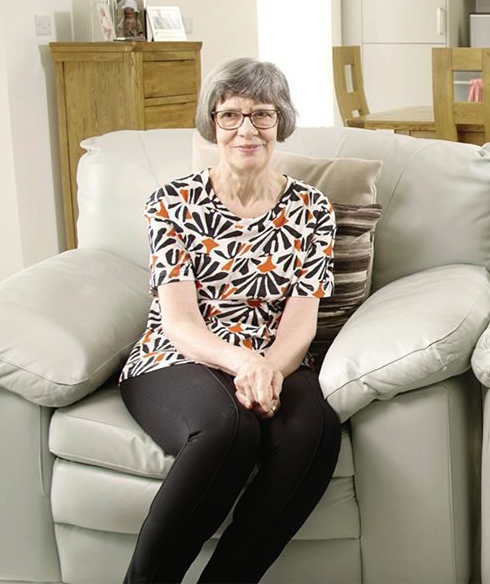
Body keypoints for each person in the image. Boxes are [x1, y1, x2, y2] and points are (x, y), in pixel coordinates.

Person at [118, 57, 342, 584]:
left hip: (274, 356)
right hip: (178, 357)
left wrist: (267, 369)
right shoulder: (172, 202)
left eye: (262, 114)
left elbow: (301, 324)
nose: (247, 129)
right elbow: (178, 322)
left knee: (314, 432)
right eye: (231, 115)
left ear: (280, 121)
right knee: (228, 431)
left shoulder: (313, 209)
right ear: (212, 122)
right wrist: (245, 364)